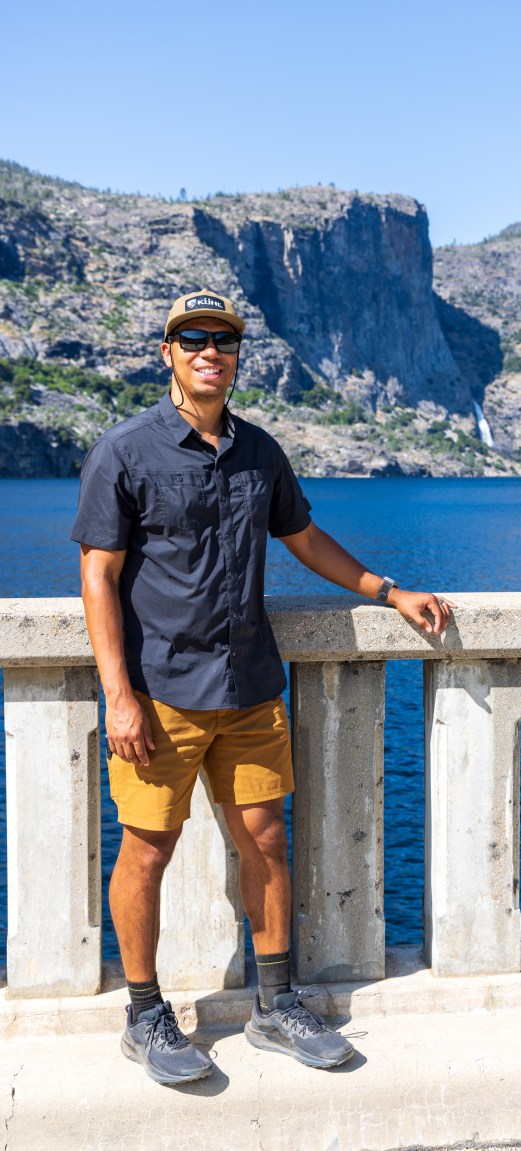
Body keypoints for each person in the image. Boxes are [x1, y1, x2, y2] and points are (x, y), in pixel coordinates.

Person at [71, 288, 453, 1085]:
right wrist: (119, 693)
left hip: (248, 686)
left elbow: (305, 537)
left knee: (268, 841)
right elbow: (99, 576)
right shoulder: (124, 451)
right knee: (148, 848)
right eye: (193, 338)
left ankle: (275, 1004)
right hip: (162, 693)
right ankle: (145, 1015)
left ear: (238, 356)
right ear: (168, 352)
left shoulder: (260, 452)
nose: (210, 350)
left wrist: (389, 590)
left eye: (224, 340)